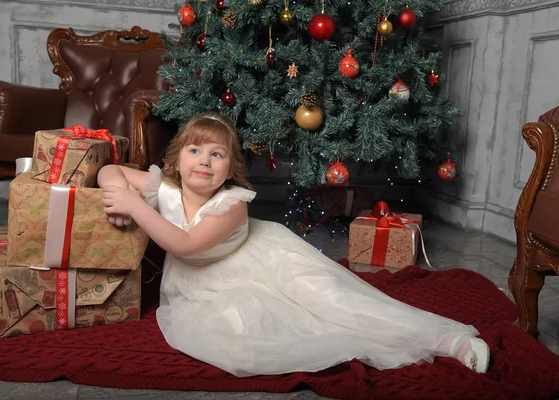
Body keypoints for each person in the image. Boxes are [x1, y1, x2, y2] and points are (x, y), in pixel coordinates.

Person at [97, 112, 490, 377]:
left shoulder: (231, 204)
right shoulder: (163, 187)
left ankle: (448, 339)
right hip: (206, 283)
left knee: (332, 300)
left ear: (230, 168)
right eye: (194, 150)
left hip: (267, 259)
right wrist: (118, 195)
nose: (204, 161)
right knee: (248, 338)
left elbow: (183, 245)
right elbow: (109, 170)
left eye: (217, 154)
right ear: (176, 159)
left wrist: (134, 206)